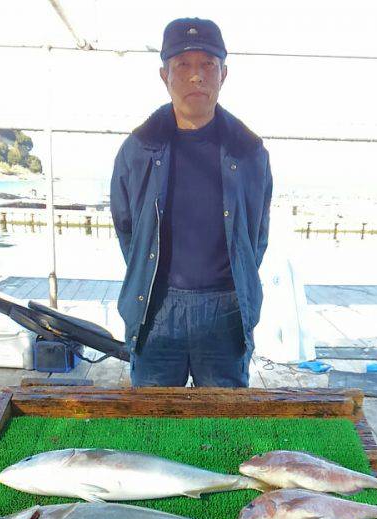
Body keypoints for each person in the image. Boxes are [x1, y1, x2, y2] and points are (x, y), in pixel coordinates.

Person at [111, 17, 272, 387]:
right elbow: (126, 229)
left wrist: (232, 283)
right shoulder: (137, 149)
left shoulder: (250, 152)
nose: (196, 76)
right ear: (165, 75)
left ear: (223, 74)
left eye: (207, 65)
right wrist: (149, 276)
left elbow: (256, 237)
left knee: (222, 428)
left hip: (226, 310)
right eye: (183, 65)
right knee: (152, 425)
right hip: (154, 306)